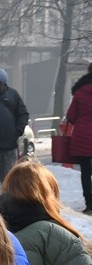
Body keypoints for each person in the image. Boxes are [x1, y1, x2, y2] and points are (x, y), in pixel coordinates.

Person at [66, 62, 92, 214]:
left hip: (82, 136)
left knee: (86, 171)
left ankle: (89, 204)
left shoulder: (80, 92)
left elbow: (71, 116)